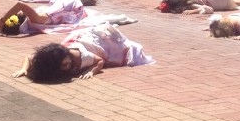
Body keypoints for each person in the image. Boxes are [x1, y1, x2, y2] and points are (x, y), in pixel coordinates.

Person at [12, 22, 154, 82]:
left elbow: (100, 60)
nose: (68, 66)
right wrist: (24, 69)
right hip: (77, 42)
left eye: (67, 64)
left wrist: (92, 71)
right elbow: (29, 57)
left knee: (121, 50)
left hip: (92, 44)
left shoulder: (82, 58)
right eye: (65, 65)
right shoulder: (50, 57)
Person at [0, 0, 135, 36]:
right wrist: (2, 21)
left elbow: (19, 9)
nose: (18, 13)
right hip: (71, 6)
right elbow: (20, 5)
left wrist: (0, 26)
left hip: (64, 5)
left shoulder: (34, 20)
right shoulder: (35, 18)